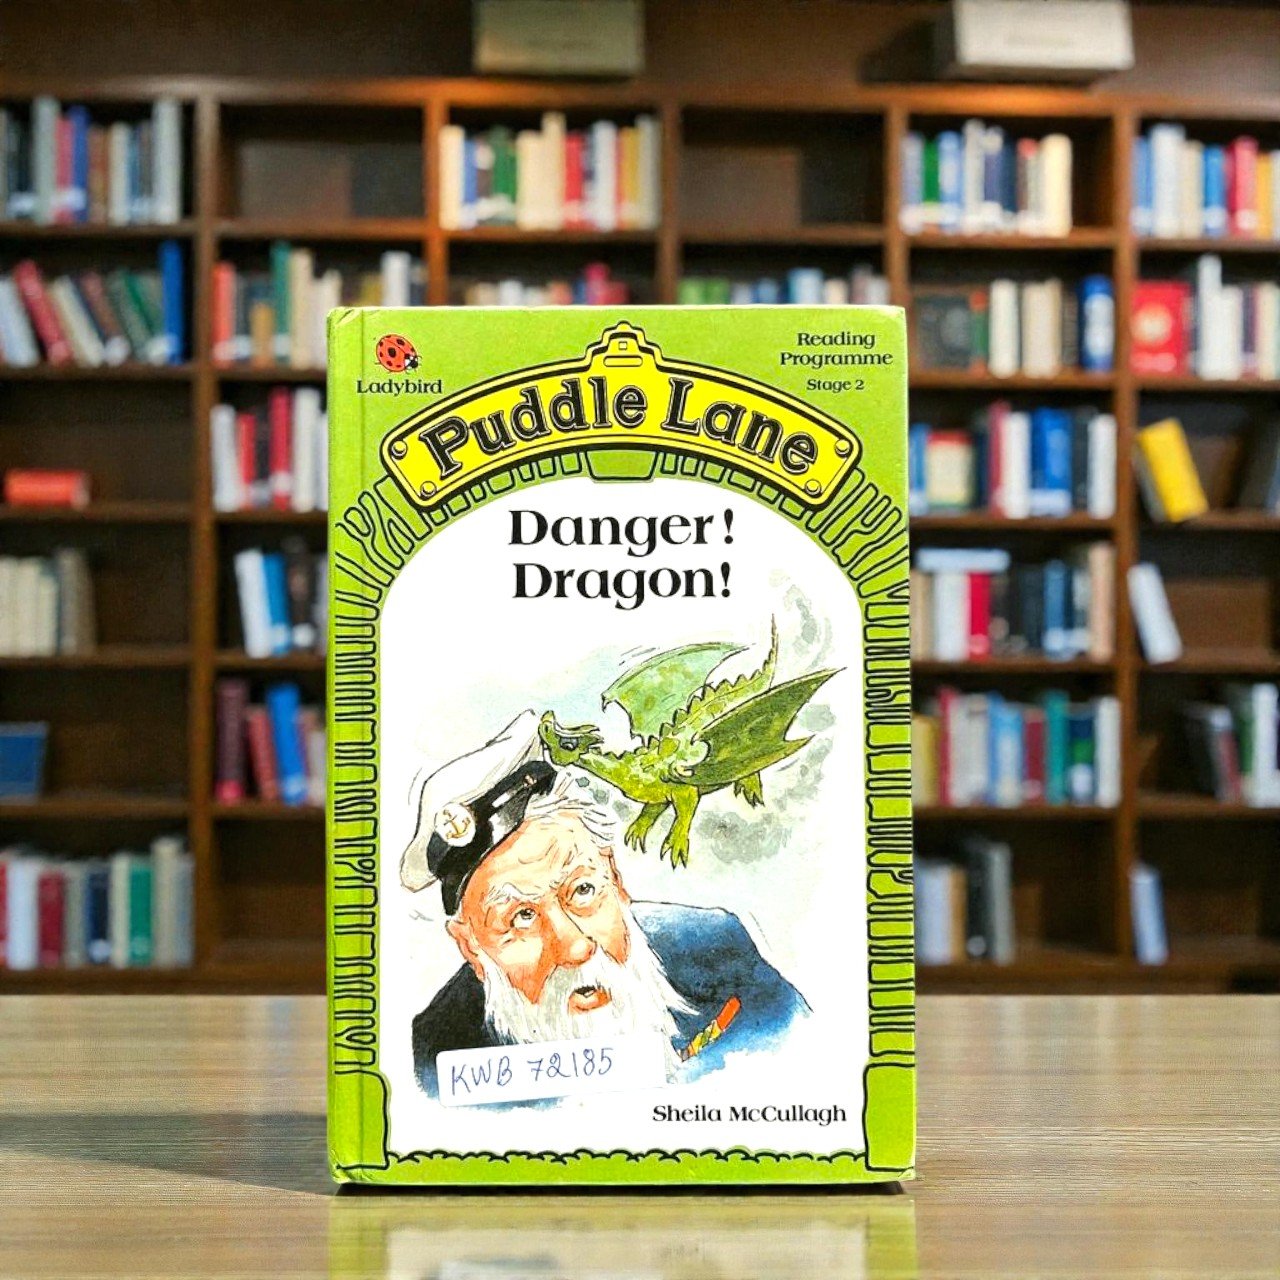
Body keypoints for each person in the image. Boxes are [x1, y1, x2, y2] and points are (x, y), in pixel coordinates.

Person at [400, 712, 808, 1098]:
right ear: (472, 947)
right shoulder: (440, 1060)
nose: (576, 948)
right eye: (521, 917)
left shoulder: (718, 951)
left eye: (582, 891)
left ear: (614, 878)